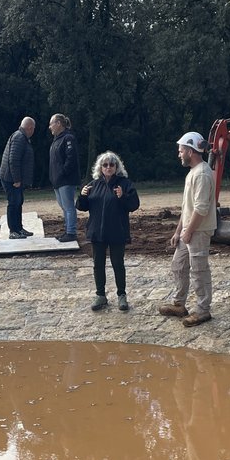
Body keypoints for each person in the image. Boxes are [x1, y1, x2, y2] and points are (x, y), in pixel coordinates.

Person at [161, 131, 217, 327]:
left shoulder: (202, 174)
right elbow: (187, 207)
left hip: (198, 231)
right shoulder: (193, 172)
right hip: (189, 230)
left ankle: (203, 310)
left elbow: (201, 209)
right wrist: (178, 231)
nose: (179, 154)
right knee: (179, 266)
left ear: (191, 151)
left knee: (199, 271)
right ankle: (179, 304)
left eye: (181, 150)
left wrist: (189, 231)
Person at [77, 151, 140, 312]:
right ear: (100, 167)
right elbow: (82, 207)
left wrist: (122, 196)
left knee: (118, 264)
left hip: (117, 231)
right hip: (97, 231)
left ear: (117, 167)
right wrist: (82, 196)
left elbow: (134, 205)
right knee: (98, 264)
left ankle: (121, 295)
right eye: (105, 165)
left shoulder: (125, 184)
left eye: (112, 164)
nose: (108, 167)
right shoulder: (93, 185)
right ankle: (100, 295)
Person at [0, 116, 35, 239]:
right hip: (11, 178)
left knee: (19, 202)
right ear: (30, 127)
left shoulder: (22, 137)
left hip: (13, 177)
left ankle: (19, 228)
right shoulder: (19, 137)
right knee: (13, 203)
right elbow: (13, 160)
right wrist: (17, 179)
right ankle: (13, 231)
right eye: (33, 129)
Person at [48, 113, 80, 242]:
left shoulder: (68, 138)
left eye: (51, 124)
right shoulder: (56, 140)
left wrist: (62, 173)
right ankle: (67, 230)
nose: (50, 127)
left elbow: (71, 159)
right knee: (64, 207)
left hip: (66, 180)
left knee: (69, 207)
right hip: (57, 180)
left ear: (58, 123)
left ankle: (71, 232)